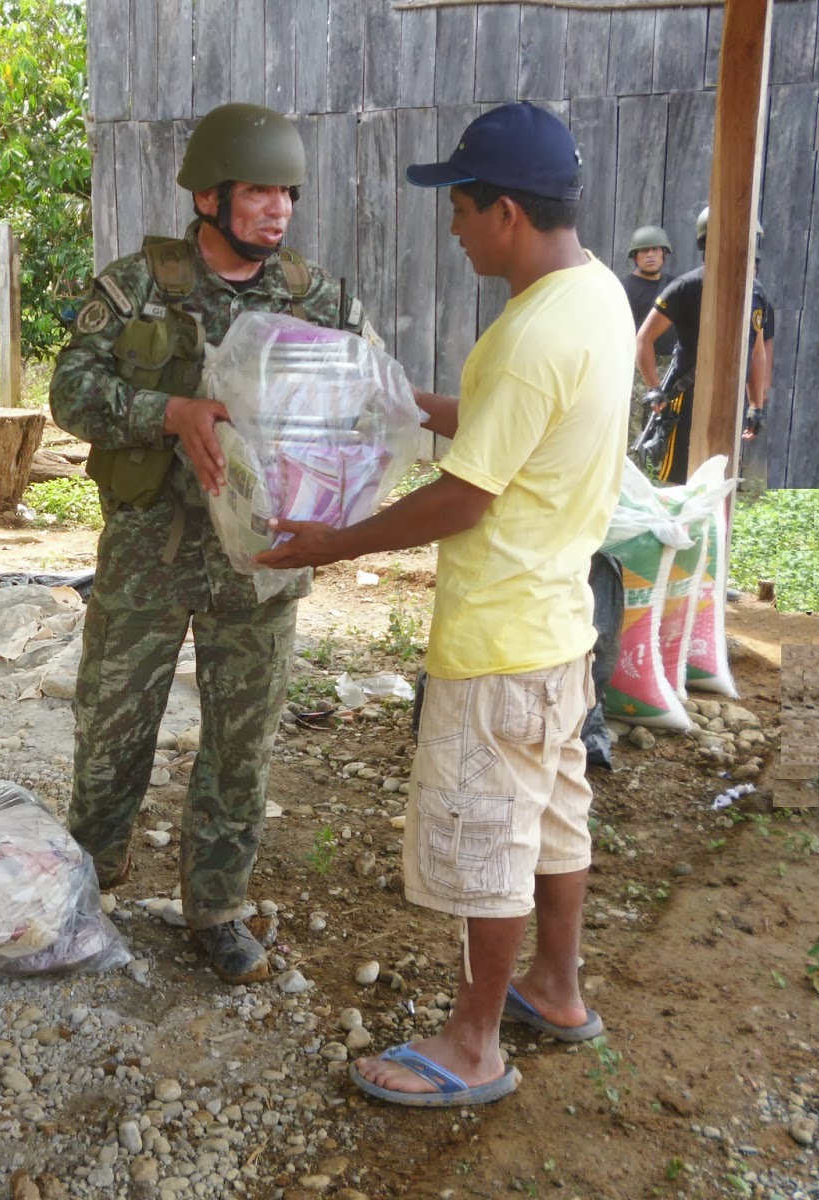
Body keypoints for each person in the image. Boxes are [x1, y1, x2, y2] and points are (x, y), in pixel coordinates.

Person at [257, 101, 632, 1106]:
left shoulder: (529, 334)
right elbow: (512, 424)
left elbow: (466, 496)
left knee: (487, 841)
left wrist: (331, 542)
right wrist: (409, 404)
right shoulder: (595, 296)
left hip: (496, 644)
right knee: (553, 820)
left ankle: (472, 1045)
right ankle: (556, 988)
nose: (454, 228)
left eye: (460, 209)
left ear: (504, 210)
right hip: (559, 630)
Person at [48, 102, 372, 985]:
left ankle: (218, 910)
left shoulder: (317, 299)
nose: (278, 209)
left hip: (258, 565)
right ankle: (87, 883)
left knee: (240, 747)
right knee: (112, 729)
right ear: (208, 197)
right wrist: (171, 412)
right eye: (259, 191)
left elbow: (364, 403)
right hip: (147, 553)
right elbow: (70, 392)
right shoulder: (138, 286)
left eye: (287, 193)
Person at [633, 207, 769, 484]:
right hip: (686, 401)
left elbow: (756, 351)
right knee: (679, 484)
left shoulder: (755, 292)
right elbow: (644, 338)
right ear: (710, 242)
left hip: (730, 401)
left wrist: (755, 405)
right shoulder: (687, 287)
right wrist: (654, 389)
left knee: (721, 480)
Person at [619, 224, 676, 455]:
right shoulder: (623, 289)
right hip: (634, 367)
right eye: (644, 251)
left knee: (664, 427)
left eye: (655, 250)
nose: (650, 255)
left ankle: (659, 472)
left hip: (670, 368)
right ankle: (629, 471)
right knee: (630, 429)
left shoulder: (675, 287)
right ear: (635, 256)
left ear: (664, 253)